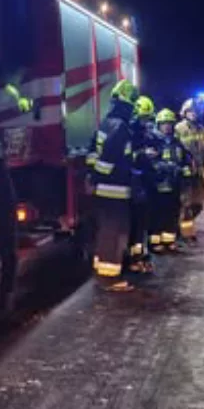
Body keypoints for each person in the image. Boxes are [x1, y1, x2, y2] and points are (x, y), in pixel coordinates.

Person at [88, 79, 139, 291]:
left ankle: (101, 272)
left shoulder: (106, 123)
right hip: (115, 190)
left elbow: (93, 153)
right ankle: (109, 279)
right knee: (115, 233)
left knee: (105, 233)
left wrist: (93, 177)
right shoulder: (121, 129)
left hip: (104, 190)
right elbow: (109, 159)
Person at [150, 109, 192, 252]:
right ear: (158, 125)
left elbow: (185, 159)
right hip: (158, 186)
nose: (167, 127)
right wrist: (167, 168)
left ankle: (169, 242)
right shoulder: (153, 141)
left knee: (172, 214)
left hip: (174, 186)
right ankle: (156, 244)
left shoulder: (176, 142)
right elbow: (150, 163)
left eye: (169, 124)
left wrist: (186, 171)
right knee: (157, 215)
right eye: (164, 124)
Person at [127, 96, 158, 273]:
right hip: (135, 185)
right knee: (136, 225)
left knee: (143, 224)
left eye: (148, 118)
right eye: (143, 118)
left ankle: (141, 255)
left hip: (145, 184)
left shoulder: (146, 133)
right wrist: (142, 154)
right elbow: (127, 157)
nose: (146, 121)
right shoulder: (130, 133)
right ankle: (134, 258)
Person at [175, 99, 204, 241]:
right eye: (191, 111)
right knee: (186, 203)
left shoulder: (202, 129)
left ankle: (182, 227)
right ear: (185, 112)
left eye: (196, 111)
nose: (194, 114)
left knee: (199, 203)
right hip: (185, 174)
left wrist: (203, 163)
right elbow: (175, 148)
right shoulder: (179, 128)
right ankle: (186, 233)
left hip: (198, 173)